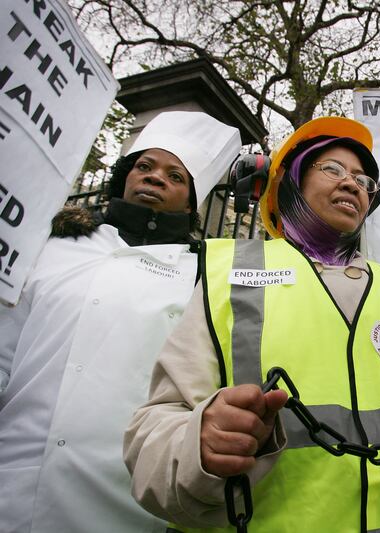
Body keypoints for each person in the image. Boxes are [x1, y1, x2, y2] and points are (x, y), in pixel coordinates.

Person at [123, 116, 380, 532]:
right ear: (292, 183)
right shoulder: (227, 274)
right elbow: (156, 431)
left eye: (363, 181)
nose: (351, 184)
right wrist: (197, 444)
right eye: (332, 170)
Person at [0, 111, 242, 533]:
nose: (154, 177)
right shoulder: (51, 244)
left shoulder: (204, 276)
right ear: (125, 176)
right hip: (14, 479)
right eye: (144, 166)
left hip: (123, 497)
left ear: (191, 201)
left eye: (175, 175)